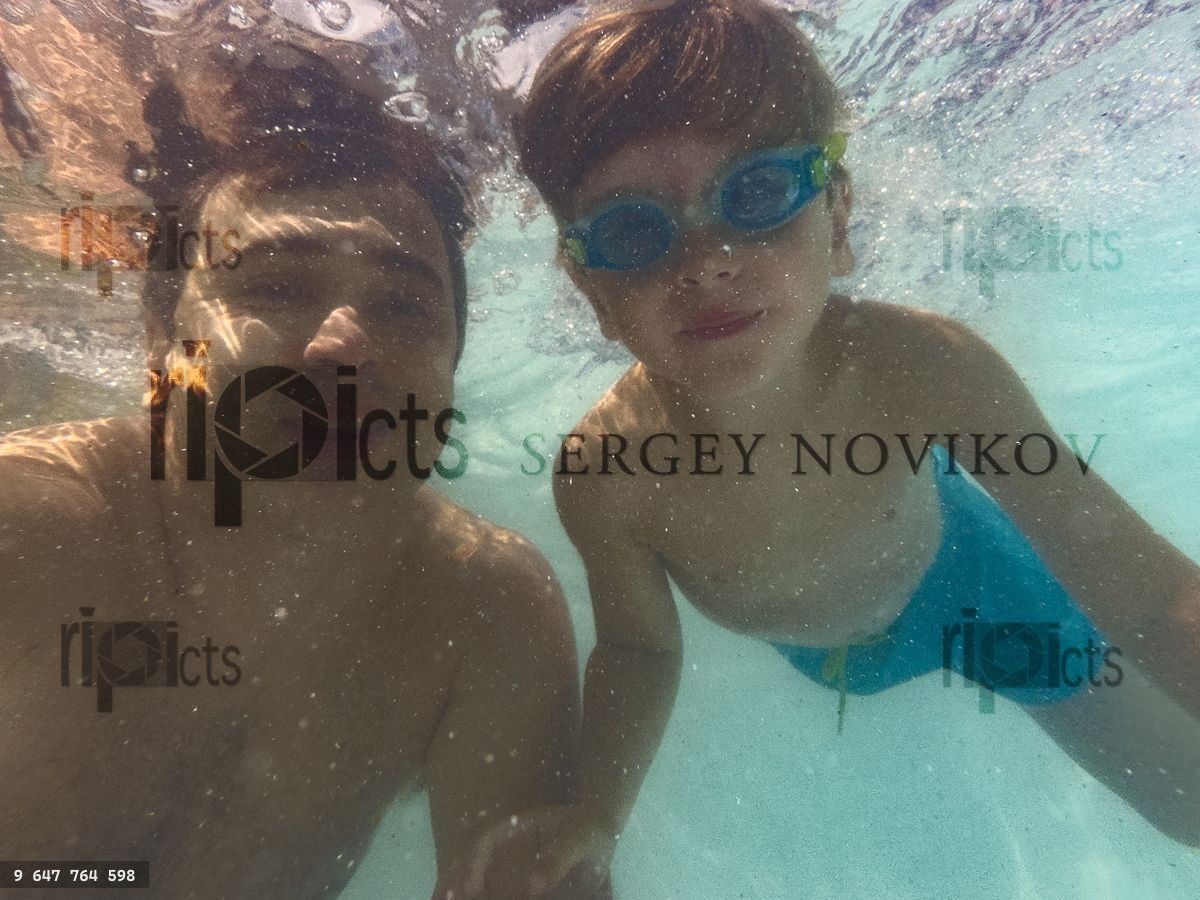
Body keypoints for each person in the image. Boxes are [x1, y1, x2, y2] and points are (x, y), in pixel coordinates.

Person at [461, 0, 1200, 893]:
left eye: (757, 194)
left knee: (1189, 803)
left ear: (839, 218)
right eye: (631, 231)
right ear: (591, 290)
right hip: (823, 656)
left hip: (976, 588)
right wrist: (598, 814)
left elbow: (1145, 590)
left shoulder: (926, 369)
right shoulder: (606, 471)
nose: (705, 260)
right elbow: (640, 651)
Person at [0, 55, 606, 900]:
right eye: (278, 285)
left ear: (451, 370)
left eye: (404, 305)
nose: (344, 345)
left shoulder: (487, 609)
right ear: (160, 341)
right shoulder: (28, 525)